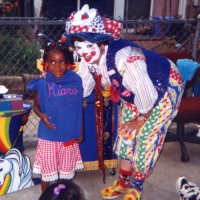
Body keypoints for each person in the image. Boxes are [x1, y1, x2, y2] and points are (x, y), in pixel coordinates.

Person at [63, 4, 193, 200]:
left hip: (163, 87)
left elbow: (147, 94)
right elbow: (83, 88)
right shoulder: (89, 61)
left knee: (146, 138)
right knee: (125, 135)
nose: (84, 52)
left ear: (101, 43)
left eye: (89, 46)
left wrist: (142, 118)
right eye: (79, 46)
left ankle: (137, 187)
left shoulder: (126, 58)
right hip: (137, 92)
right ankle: (123, 182)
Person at [27, 42, 84, 192]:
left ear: (69, 64)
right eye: (52, 62)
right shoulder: (42, 82)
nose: (57, 66)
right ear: (45, 64)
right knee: (47, 175)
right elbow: (36, 106)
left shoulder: (76, 81)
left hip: (69, 135)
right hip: (49, 136)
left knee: (66, 175)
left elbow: (79, 109)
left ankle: (62, 195)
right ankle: (46, 195)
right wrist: (42, 116)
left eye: (62, 62)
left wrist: (81, 131)